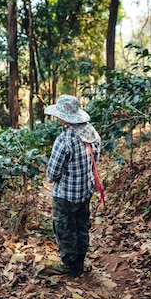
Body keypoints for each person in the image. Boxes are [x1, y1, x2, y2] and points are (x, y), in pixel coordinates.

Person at [44, 94, 101, 278]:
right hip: (85, 191)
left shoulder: (65, 139)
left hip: (65, 195)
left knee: (64, 228)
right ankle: (80, 261)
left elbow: (52, 174)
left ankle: (70, 265)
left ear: (64, 117)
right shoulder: (92, 133)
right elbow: (95, 161)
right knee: (81, 225)